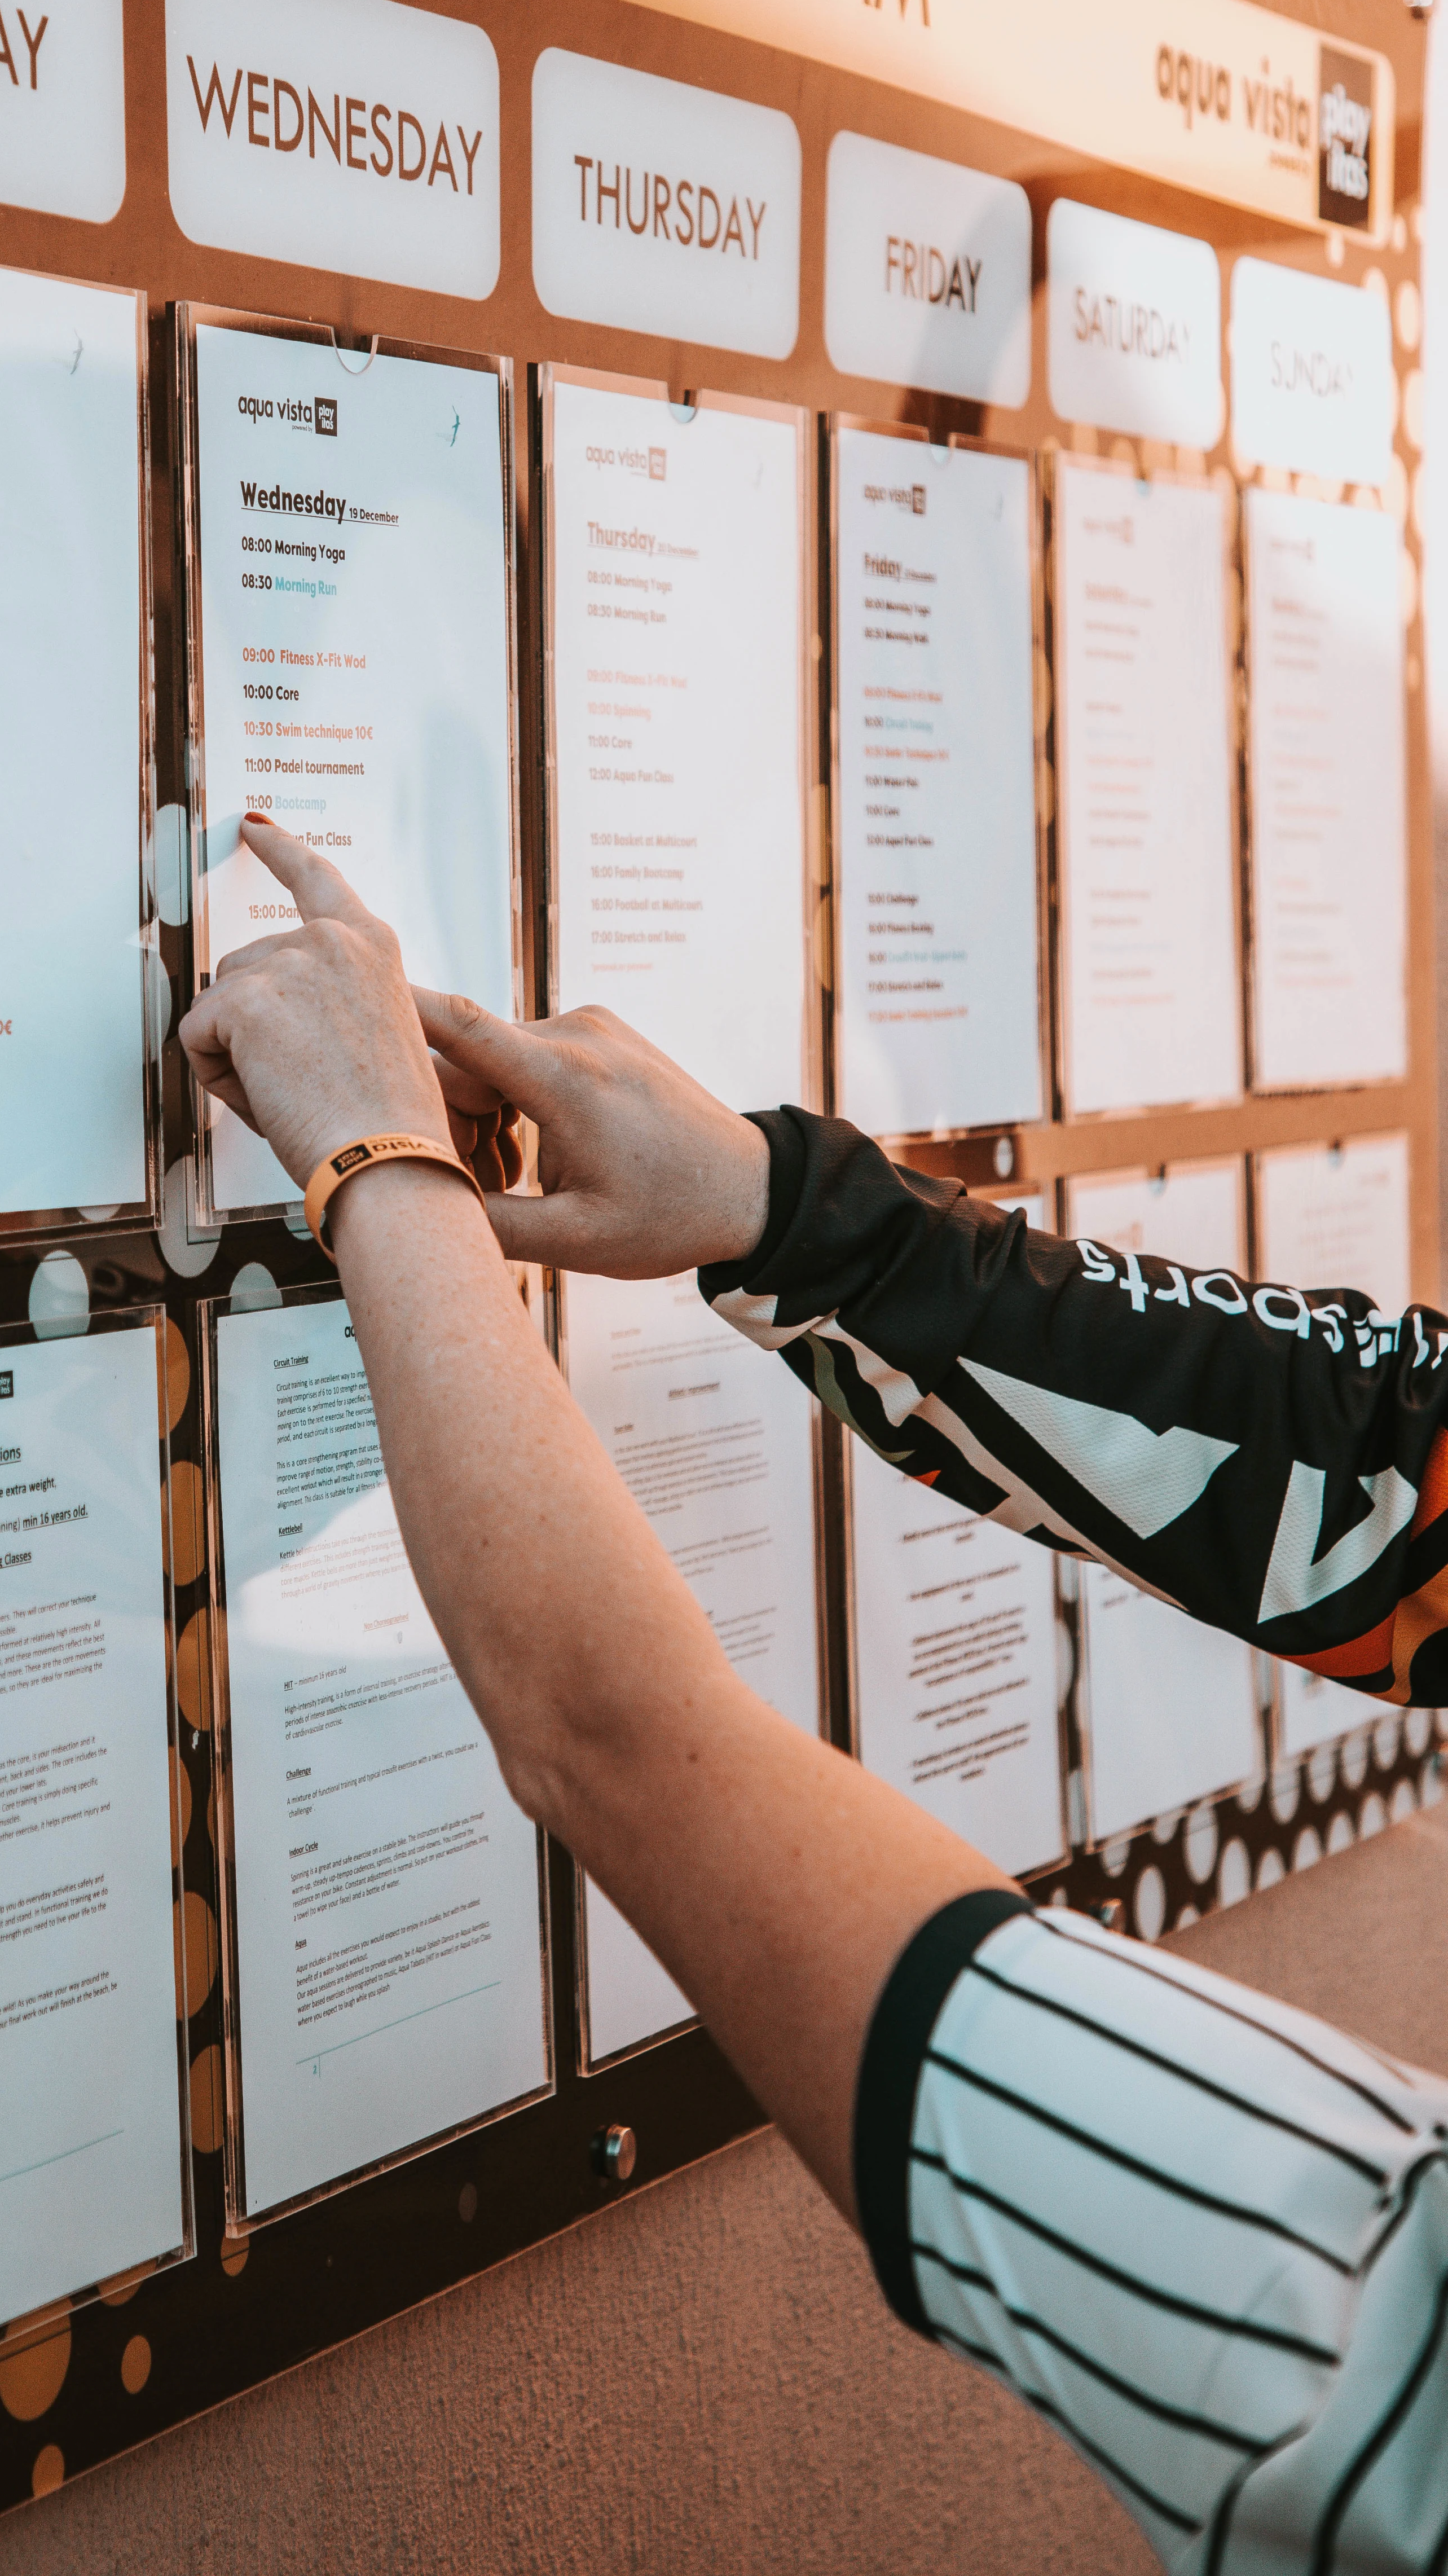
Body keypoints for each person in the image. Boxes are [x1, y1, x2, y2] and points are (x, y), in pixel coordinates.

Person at [179, 816, 1448, 2576]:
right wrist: (796, 1216)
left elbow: (627, 1744)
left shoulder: (1387, 2325)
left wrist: (382, 1158)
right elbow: (1389, 1472)